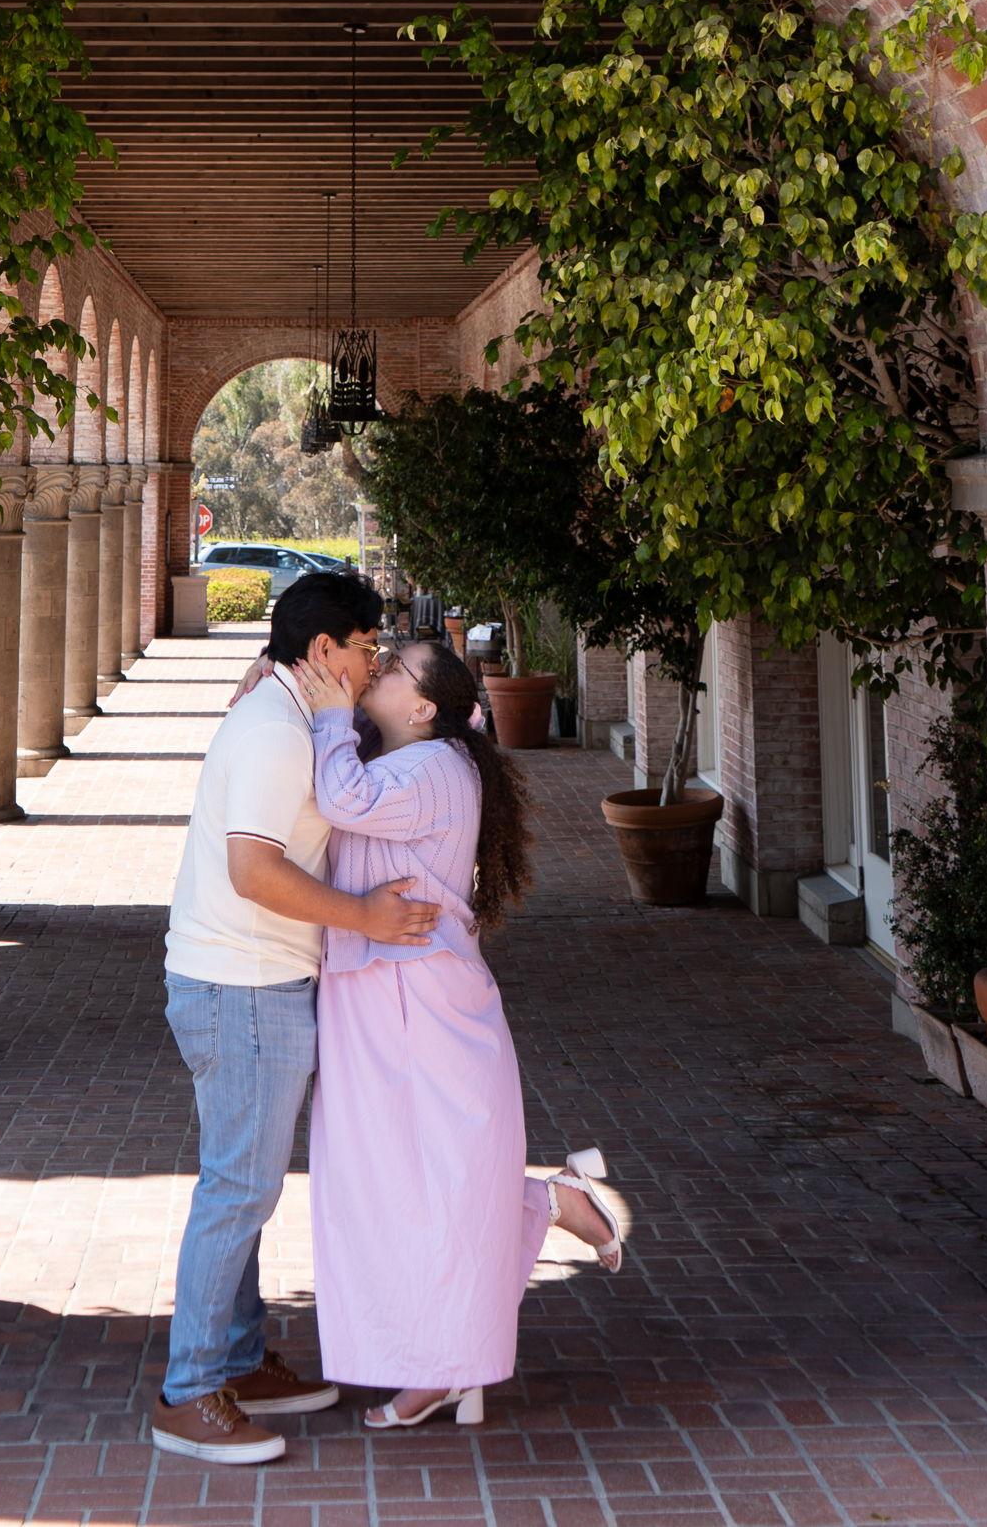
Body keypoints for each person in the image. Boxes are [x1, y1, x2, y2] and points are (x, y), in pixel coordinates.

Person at [294, 639, 627, 1430]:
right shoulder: (407, 755)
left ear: (422, 708)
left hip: (420, 994)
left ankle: (443, 1365)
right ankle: (543, 1209)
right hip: (375, 991)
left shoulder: (436, 767)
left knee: (433, 1180)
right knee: (385, 1182)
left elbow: (343, 801)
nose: (378, 669)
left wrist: (331, 715)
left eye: (395, 669)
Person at [153, 573, 444, 1466]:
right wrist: (365, 918)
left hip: (248, 982)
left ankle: (238, 1359)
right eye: (366, 647)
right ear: (324, 650)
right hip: (241, 986)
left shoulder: (287, 712)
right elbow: (252, 870)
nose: (375, 663)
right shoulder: (276, 733)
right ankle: (190, 1392)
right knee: (238, 1188)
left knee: (241, 1181)